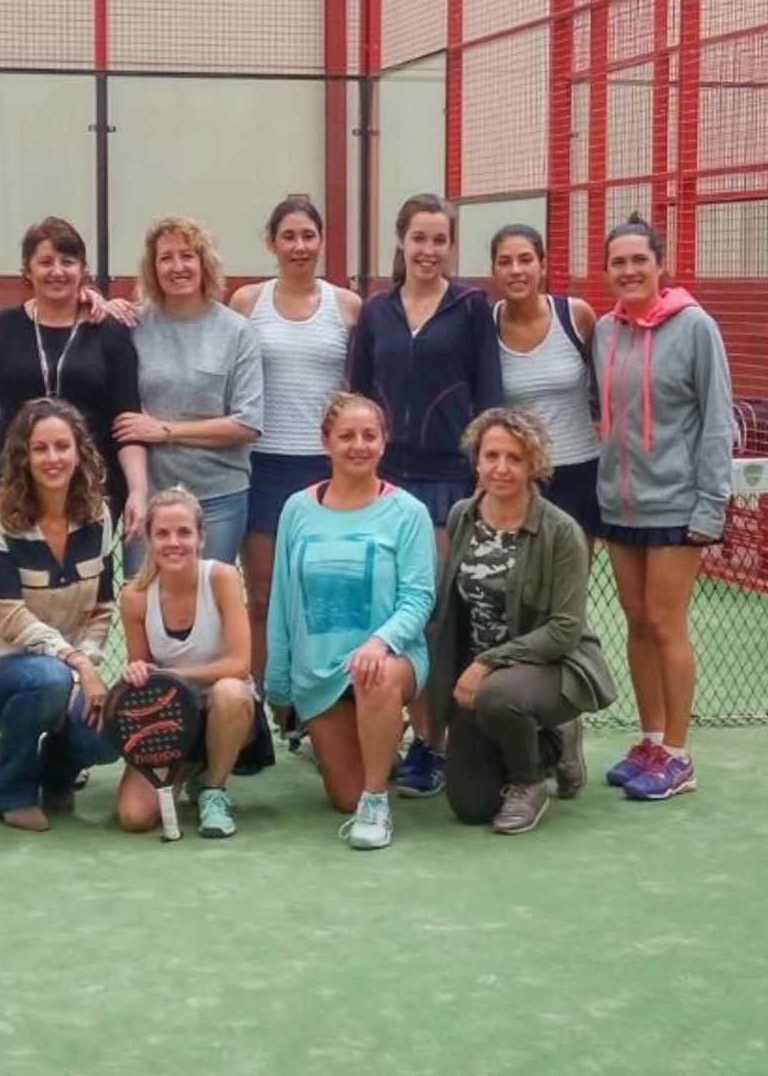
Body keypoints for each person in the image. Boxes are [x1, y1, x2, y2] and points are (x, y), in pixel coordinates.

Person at [349, 192, 502, 797]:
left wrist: (480, 478)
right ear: (400, 241)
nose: (429, 251)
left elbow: (490, 400)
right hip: (386, 482)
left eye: (440, 240)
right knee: (387, 609)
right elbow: (358, 397)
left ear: (450, 246)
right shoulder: (376, 312)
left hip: (446, 483)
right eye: (419, 238)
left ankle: (432, 745)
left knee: (434, 615)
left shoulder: (470, 308)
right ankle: (377, 731)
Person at [596, 214, 733, 801]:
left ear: (659, 265)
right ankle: (651, 738)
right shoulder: (604, 331)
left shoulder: (697, 327)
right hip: (619, 506)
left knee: (664, 622)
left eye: (638, 260)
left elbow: (717, 422)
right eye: (618, 262)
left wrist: (711, 507)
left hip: (678, 506)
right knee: (635, 622)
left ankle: (679, 754)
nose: (629, 271)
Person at [428, 409, 616, 833]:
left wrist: (488, 662)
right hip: (482, 674)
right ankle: (551, 741)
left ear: (534, 465)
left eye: (514, 458)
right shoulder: (462, 515)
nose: (501, 468)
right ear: (477, 460)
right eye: (491, 455)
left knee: (500, 697)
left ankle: (530, 783)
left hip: (551, 665)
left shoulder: (561, 531)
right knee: (470, 807)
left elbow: (564, 629)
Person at [265, 393, 436, 850]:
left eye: (369, 435)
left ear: (384, 442)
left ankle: (377, 800)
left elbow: (419, 599)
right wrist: (279, 688)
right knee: (344, 796)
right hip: (320, 672)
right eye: (346, 436)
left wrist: (380, 643)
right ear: (326, 443)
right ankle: (374, 746)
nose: (358, 445)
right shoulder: (297, 509)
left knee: (374, 680)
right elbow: (281, 599)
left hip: (390, 659)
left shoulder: (409, 513)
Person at [0, 399, 120, 831]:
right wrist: (76, 664)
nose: (53, 458)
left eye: (62, 446)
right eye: (40, 448)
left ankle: (56, 773)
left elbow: (102, 609)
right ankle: (10, 790)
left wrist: (85, 658)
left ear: (79, 452)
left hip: (65, 669)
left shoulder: (99, 515)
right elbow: (10, 615)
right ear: (23, 457)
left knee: (106, 732)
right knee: (47, 679)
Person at [230, 195, 359, 696]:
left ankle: (317, 703)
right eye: (289, 236)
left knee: (321, 597)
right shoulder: (246, 303)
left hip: (327, 472)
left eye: (309, 236)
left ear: (321, 241)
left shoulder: (346, 306)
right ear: (271, 242)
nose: (299, 246)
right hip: (261, 467)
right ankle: (259, 706)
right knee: (261, 596)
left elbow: (358, 388)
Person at [0, 217, 149, 541]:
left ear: (83, 270)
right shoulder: (2, 328)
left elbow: (127, 420)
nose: (57, 271)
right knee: (11, 588)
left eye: (67, 262)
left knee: (83, 589)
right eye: (45, 262)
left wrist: (138, 490)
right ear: (27, 271)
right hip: (12, 487)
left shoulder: (110, 332)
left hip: (90, 490)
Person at [116, 487, 273, 839]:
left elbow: (239, 665)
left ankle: (214, 789)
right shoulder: (135, 597)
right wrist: (137, 673)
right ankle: (190, 767)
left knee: (230, 691)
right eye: (163, 533)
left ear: (201, 538)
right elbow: (143, 675)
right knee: (134, 817)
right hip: (172, 718)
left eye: (184, 532)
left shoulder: (222, 578)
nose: (174, 542)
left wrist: (169, 675)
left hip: (231, 713)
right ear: (149, 539)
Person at [115, 215, 264, 572]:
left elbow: (247, 422)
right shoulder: (133, 326)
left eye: (187, 256)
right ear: (153, 267)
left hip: (219, 496)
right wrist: (100, 303)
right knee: (144, 600)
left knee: (208, 607)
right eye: (166, 258)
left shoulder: (237, 332)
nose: (177, 267)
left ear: (203, 263)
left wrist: (165, 430)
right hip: (152, 497)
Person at [489, 224, 602, 540]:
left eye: (526, 260)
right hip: (515, 475)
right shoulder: (486, 325)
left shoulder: (576, 316)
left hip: (577, 472)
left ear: (543, 265)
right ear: (494, 270)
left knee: (570, 583)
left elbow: (608, 385)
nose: (516, 270)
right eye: (505, 262)